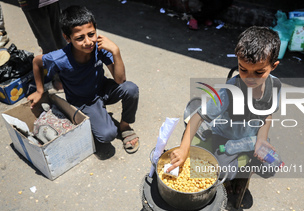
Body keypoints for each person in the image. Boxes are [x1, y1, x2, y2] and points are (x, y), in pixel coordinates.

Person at [168, 26, 281, 194]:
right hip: (225, 139)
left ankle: (245, 168)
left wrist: (262, 139)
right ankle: (231, 180)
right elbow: (197, 116)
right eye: (243, 69)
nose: (249, 78)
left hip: (253, 139)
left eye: (258, 72)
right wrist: (184, 148)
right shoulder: (229, 92)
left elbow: (267, 113)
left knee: (272, 166)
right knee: (221, 173)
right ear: (238, 61)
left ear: (273, 66)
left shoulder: (275, 85)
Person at [27, 5, 140, 154]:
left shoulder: (100, 48)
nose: (88, 42)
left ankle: (124, 126)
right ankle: (89, 118)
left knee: (131, 89)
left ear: (96, 29)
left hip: (102, 89)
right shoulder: (59, 58)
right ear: (67, 38)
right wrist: (40, 90)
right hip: (83, 101)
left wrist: (115, 51)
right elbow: (37, 62)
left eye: (91, 34)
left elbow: (120, 80)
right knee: (108, 135)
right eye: (80, 38)